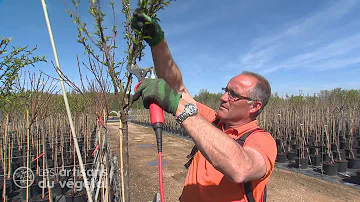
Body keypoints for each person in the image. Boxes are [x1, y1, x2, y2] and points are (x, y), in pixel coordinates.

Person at [131, 9, 277, 202]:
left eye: (233, 95)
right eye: (225, 90)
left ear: (254, 106)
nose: (223, 98)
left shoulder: (261, 140)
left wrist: (179, 107)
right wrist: (158, 42)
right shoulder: (213, 121)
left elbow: (241, 167)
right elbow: (178, 89)